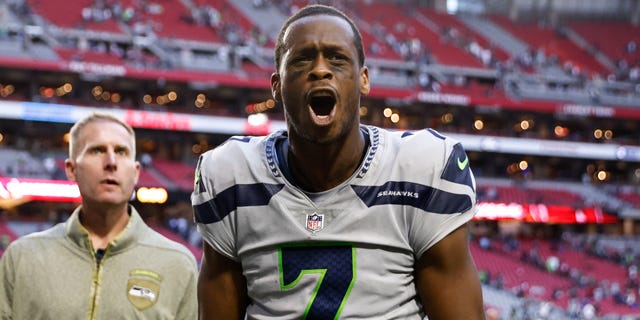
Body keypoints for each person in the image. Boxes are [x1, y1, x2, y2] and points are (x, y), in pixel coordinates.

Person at [192, 4, 485, 319]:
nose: (320, 69)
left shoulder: (421, 169)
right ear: (276, 86)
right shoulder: (231, 175)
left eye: (337, 58)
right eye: (303, 59)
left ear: (363, 80)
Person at [0, 112, 198, 319]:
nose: (111, 162)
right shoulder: (22, 257)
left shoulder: (178, 263)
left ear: (136, 172)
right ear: (71, 169)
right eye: (97, 150)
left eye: (121, 152)